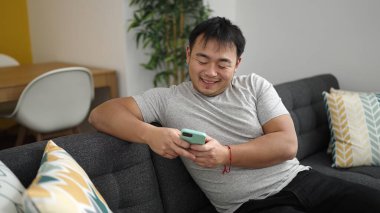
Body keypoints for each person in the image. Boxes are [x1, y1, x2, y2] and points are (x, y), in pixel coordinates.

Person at [89, 17, 380, 213]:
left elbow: (287, 145)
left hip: (301, 178)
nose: (211, 72)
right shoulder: (167, 99)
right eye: (202, 59)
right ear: (188, 54)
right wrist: (150, 133)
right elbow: (101, 114)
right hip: (250, 205)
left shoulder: (255, 86)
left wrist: (226, 154)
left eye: (222, 63)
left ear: (237, 63)